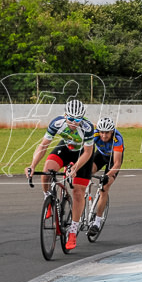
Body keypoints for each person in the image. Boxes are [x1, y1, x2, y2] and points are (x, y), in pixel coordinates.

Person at [24, 99, 96, 251]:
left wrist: (75, 167)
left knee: (78, 192)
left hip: (83, 155)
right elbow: (43, 146)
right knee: (46, 171)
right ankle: (48, 199)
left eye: (78, 119)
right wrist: (32, 165)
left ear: (82, 118)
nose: (73, 123)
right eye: (70, 119)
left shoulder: (88, 128)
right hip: (66, 148)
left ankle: (73, 231)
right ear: (65, 116)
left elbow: (88, 152)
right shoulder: (57, 123)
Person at [85, 117, 124, 237]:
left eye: (107, 133)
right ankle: (87, 196)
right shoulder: (95, 134)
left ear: (112, 131)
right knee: (87, 172)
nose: (104, 135)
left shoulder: (117, 139)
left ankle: (97, 222)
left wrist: (107, 176)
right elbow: (85, 151)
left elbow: (117, 163)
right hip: (100, 156)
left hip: (113, 161)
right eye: (102, 132)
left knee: (104, 187)